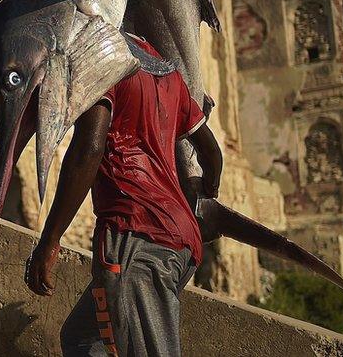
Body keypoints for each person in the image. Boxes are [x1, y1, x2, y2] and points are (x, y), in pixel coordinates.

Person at [25, 35, 223, 357]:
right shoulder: (169, 75)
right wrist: (206, 195)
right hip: (180, 240)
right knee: (82, 341)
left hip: (136, 237)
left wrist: (50, 240)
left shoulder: (105, 61)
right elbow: (211, 153)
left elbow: (88, 150)